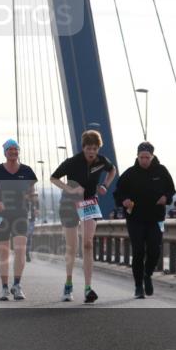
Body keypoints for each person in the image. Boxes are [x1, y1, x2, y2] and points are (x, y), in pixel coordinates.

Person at [50, 129, 117, 303]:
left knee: (87, 244)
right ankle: (68, 283)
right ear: (83, 147)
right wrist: (70, 189)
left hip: (89, 202)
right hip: (69, 204)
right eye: (88, 148)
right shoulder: (73, 162)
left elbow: (112, 170)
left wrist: (105, 186)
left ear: (98, 149)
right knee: (72, 247)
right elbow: (54, 178)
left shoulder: (102, 161)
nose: (91, 152)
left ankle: (88, 288)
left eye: (94, 149)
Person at [113, 142, 176, 298]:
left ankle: (148, 275)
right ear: (137, 156)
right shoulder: (130, 173)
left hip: (156, 218)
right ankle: (138, 286)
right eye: (141, 157)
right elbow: (118, 193)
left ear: (152, 156)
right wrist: (124, 200)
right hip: (135, 219)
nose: (144, 160)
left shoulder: (161, 171)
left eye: (147, 157)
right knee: (139, 251)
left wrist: (166, 198)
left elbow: (171, 190)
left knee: (155, 250)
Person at [0, 139, 38, 301]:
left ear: (18, 151)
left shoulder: (27, 171)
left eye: (15, 149)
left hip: (20, 213)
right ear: (5, 152)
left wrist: (32, 199)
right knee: (3, 252)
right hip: (0, 215)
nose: (13, 152)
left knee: (20, 249)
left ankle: (17, 285)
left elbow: (31, 191)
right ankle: (4, 288)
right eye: (9, 150)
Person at [25, 190, 40, 261]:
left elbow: (37, 211)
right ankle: (23, 251)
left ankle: (27, 253)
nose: (37, 198)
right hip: (23, 221)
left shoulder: (36, 202)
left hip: (31, 221)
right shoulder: (25, 201)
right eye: (35, 196)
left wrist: (36, 212)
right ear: (31, 196)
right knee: (24, 236)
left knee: (29, 237)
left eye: (37, 196)